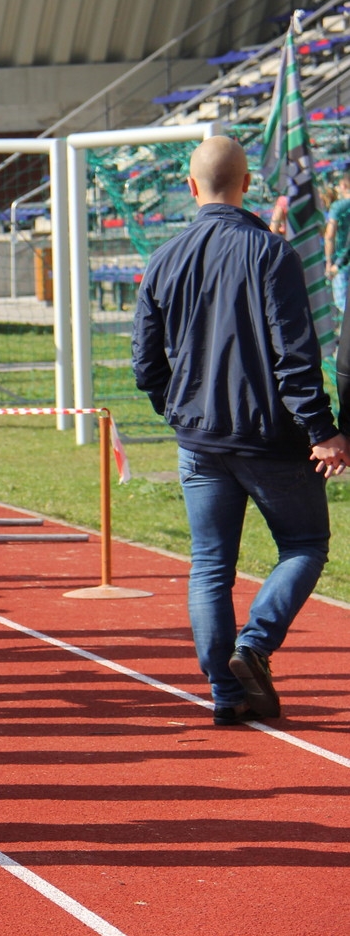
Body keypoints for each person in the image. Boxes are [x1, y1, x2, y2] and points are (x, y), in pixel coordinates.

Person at [133, 135, 350, 727]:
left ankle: (226, 695)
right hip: (270, 438)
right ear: (248, 183)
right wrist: (322, 429)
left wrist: (176, 408)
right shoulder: (271, 252)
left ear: (191, 187)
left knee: (210, 565)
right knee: (305, 545)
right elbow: (295, 353)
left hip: (200, 440)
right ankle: (253, 647)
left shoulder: (164, 257)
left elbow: (144, 362)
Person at [323, 171, 350, 310]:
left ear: (343, 185)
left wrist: (329, 262)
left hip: (341, 262)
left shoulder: (338, 207)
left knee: (343, 306)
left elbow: (329, 236)